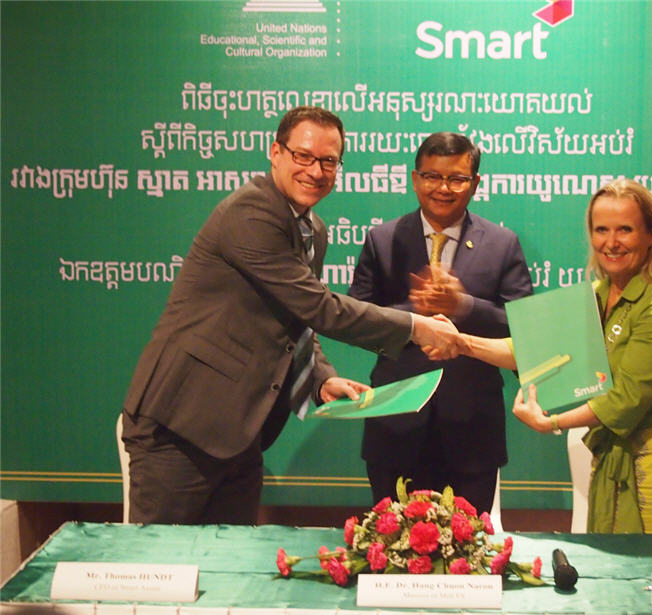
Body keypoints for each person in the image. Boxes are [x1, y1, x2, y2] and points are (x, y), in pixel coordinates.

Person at [121, 106, 459, 525]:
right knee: (162, 560)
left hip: (239, 433)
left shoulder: (312, 229)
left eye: (329, 161)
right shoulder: (251, 213)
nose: (315, 171)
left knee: (231, 561)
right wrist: (416, 327)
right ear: (275, 152)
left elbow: (297, 319)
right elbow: (319, 306)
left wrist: (321, 380)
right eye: (303, 156)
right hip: (182, 424)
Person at [432, 178, 652, 533]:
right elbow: (531, 350)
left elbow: (626, 400)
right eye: (601, 230)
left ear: (651, 234)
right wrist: (461, 342)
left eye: (625, 229)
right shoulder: (597, 293)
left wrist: (552, 422)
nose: (611, 242)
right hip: (609, 462)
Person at [348, 132, 533, 514]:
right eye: (432, 176)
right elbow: (356, 320)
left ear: (475, 183)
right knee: (392, 543)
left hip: (472, 431)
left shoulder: (502, 243)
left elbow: (524, 330)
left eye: (456, 179)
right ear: (415, 179)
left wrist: (464, 306)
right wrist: (416, 317)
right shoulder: (382, 240)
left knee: (467, 546)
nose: (443, 188)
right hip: (395, 426)